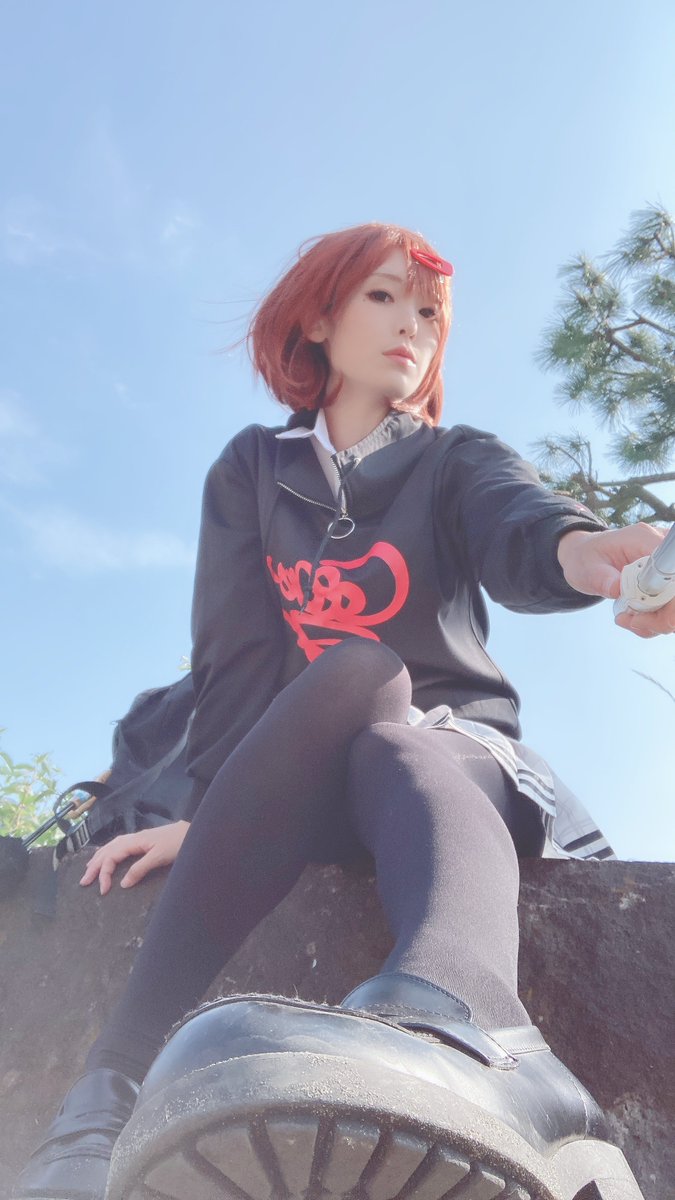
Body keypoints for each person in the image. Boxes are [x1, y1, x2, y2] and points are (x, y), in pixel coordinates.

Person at [15, 223, 662, 1200]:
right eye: (383, 297)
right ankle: (103, 1099)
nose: (413, 328)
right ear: (318, 318)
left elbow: (524, 526)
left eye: (431, 314)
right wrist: (207, 811)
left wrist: (590, 552)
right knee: (357, 674)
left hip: (447, 758)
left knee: (394, 731)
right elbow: (234, 660)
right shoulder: (252, 470)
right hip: (319, 758)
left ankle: (470, 1019)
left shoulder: (452, 459)